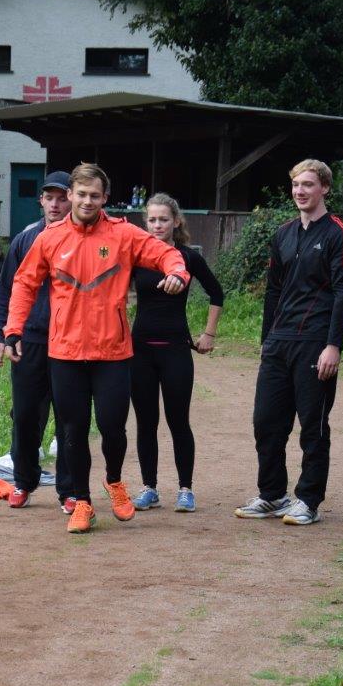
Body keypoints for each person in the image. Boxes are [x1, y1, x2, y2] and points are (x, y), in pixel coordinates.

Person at [4, 162, 190, 533]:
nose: (87, 201)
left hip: (112, 353)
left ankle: (115, 482)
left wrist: (176, 273)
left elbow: (164, 252)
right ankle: (82, 502)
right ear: (70, 195)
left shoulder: (124, 235)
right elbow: (24, 283)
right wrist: (12, 330)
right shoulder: (49, 238)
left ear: (106, 198)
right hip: (65, 353)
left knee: (113, 428)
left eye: (95, 195)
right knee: (72, 431)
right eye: (81, 194)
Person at [235, 159, 343, 526]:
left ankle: (308, 500)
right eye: (296, 185)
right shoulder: (283, 234)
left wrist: (333, 345)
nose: (300, 191)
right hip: (279, 342)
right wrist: (266, 339)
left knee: (312, 426)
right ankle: (272, 494)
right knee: (266, 422)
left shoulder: (338, 234)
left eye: (308, 184)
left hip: (316, 342)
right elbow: (273, 291)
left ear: (325, 189)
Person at [128, 193, 224, 514]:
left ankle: (186, 489)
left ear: (176, 221)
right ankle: (149, 488)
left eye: (163, 219)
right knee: (145, 422)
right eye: (152, 220)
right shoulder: (137, 257)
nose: (157, 225)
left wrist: (208, 333)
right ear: (145, 223)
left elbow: (216, 292)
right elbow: (115, 292)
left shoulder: (187, 258)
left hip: (176, 351)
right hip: (139, 351)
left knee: (178, 421)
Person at [0, 170, 74, 511]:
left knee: (70, 419)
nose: (55, 204)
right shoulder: (25, 240)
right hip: (29, 342)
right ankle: (24, 481)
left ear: (72, 199)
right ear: (40, 200)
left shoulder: (80, 240)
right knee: (25, 416)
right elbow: (6, 291)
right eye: (49, 197)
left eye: (61, 197)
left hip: (70, 343)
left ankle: (70, 490)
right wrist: (1, 334)